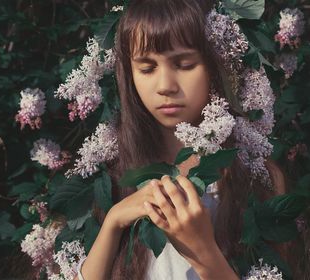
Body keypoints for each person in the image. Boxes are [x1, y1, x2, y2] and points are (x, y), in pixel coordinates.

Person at [73, 0, 305, 279]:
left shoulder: (254, 175)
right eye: (147, 69)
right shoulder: (113, 172)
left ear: (215, 64)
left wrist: (202, 250)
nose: (165, 86)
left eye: (184, 64)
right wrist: (113, 222)